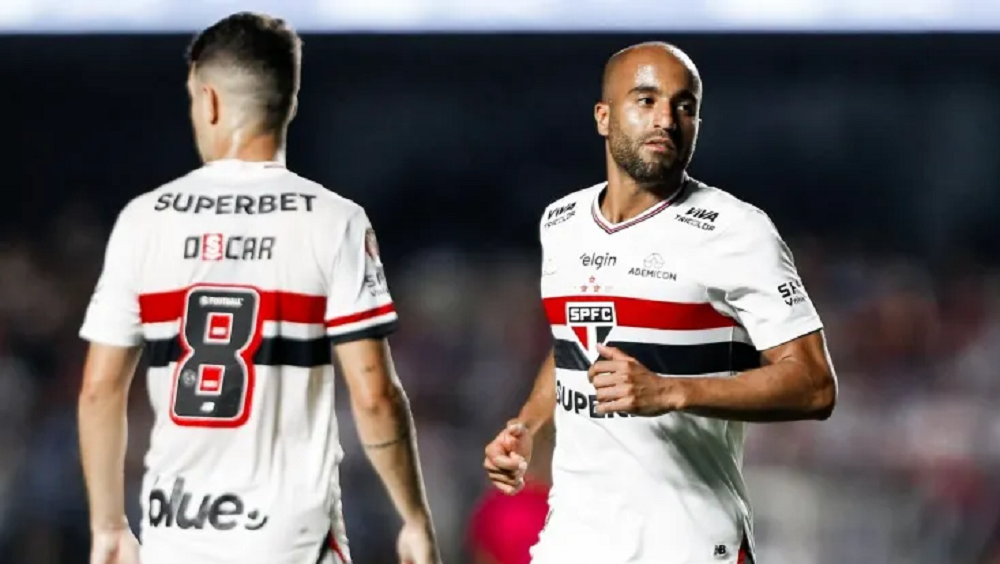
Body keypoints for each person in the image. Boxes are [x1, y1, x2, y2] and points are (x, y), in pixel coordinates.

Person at [76, 12, 440, 564]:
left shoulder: (144, 221)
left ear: (210, 100)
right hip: (289, 542)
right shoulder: (333, 220)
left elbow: (99, 391)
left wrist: (108, 526)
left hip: (178, 538)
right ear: (288, 103)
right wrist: (413, 518)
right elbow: (374, 395)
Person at [482, 41, 838, 564]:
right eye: (646, 100)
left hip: (689, 545)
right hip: (573, 543)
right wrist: (528, 426)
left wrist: (670, 391)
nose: (667, 120)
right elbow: (573, 346)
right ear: (603, 117)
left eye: (684, 106)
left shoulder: (737, 231)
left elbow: (815, 385)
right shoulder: (561, 222)